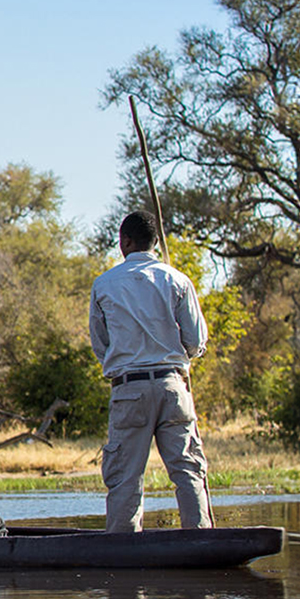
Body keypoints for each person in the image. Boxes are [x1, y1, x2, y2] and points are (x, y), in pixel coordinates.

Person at [89, 210, 213, 533]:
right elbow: (197, 342)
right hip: (173, 386)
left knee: (125, 477)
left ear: (125, 242)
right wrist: (173, 360)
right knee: (188, 471)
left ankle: (122, 549)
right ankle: (200, 540)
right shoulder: (178, 280)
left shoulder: (103, 285)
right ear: (155, 243)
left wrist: (125, 361)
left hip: (128, 389)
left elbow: (101, 346)